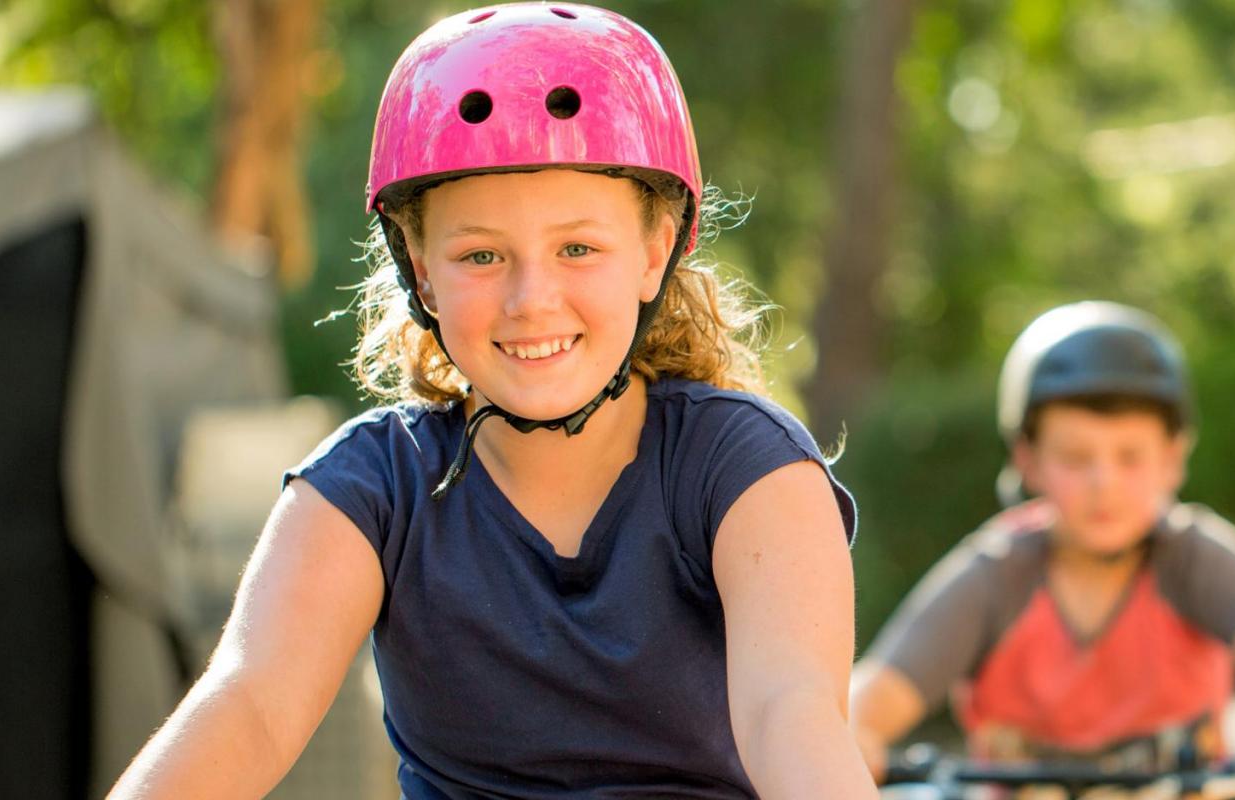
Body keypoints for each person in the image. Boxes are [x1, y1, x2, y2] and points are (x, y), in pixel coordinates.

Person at [108, 5, 875, 798]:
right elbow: (249, 707)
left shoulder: (747, 471)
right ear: (422, 267)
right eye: (481, 254)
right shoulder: (374, 489)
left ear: (654, 253)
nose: (530, 299)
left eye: (577, 248)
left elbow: (791, 715)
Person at [848, 301, 1235, 799]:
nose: (1104, 484)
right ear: (1028, 460)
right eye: (1074, 457)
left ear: (1173, 459)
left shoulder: (1195, 560)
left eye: (1131, 457)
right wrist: (859, 732)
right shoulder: (995, 574)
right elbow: (882, 686)